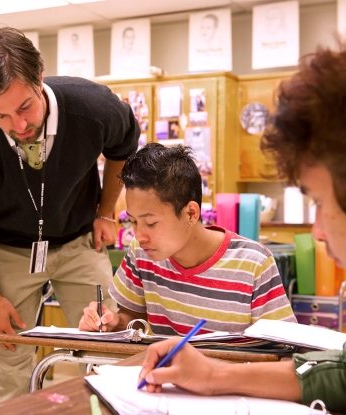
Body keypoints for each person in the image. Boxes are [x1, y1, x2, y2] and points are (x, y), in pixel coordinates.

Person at [0, 22, 139, 404]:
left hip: (79, 242)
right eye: (0, 117)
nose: (20, 125)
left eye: (25, 106)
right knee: (11, 363)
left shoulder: (92, 107)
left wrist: (106, 212)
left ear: (39, 78)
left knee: (109, 348)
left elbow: (123, 146)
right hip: (6, 251)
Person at [138, 43, 346, 412]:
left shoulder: (252, 260)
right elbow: (339, 374)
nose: (316, 231)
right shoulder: (143, 261)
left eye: (317, 201)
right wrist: (213, 376)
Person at [79, 143, 296, 336]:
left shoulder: (253, 263)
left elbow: (281, 350)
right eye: (134, 221)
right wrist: (112, 322)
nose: (139, 236)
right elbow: (133, 321)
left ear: (191, 213)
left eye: (151, 223)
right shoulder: (141, 252)